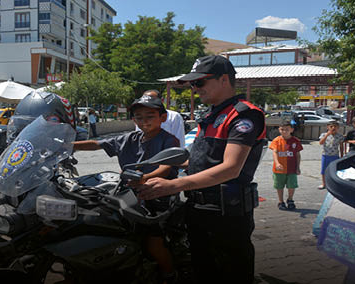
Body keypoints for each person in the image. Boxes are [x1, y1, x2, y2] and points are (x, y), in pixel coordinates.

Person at [138, 55, 266, 284]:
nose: (195, 88)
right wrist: (156, 166)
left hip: (226, 214)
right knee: (203, 271)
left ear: (224, 79)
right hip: (199, 208)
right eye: (192, 84)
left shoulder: (244, 114)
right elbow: (200, 161)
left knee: (230, 274)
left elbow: (230, 168)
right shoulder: (212, 114)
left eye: (200, 82)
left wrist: (174, 184)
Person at [73, 95, 180, 284]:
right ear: (133, 120)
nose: (144, 121)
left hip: (158, 195)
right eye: (139, 117)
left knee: (154, 242)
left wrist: (145, 178)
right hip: (129, 194)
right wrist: (68, 146)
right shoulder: (129, 138)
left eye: (150, 116)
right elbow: (97, 144)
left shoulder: (169, 140)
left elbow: (166, 167)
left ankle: (169, 274)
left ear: (162, 118)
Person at [269, 121, 303, 210]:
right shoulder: (276, 140)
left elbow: (298, 155)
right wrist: (277, 163)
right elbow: (275, 152)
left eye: (287, 129)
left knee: (292, 185)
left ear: (291, 130)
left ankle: (290, 199)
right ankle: (281, 201)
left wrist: (298, 167)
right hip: (279, 169)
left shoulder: (296, 141)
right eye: (282, 129)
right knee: (279, 186)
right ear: (279, 130)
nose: (284, 131)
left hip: (292, 168)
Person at [318, 121, 344, 189]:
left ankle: (334, 184)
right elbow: (320, 142)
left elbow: (341, 146)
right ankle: (324, 184)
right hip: (325, 155)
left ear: (338, 128)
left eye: (335, 126)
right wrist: (327, 135)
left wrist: (342, 155)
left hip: (335, 155)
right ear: (328, 127)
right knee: (323, 170)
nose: (333, 128)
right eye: (331, 126)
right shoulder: (324, 134)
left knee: (335, 170)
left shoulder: (339, 136)